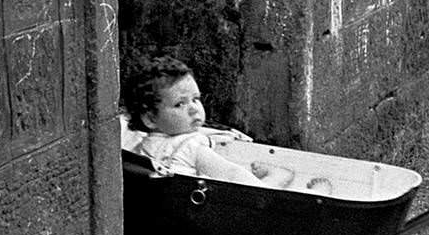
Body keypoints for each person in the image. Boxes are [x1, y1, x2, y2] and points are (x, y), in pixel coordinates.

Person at [122, 56, 313, 190]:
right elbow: (230, 174)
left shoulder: (141, 146)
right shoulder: (192, 147)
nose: (193, 108)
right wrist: (259, 190)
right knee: (258, 191)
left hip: (168, 208)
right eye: (180, 104)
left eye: (196, 99)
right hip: (198, 207)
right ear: (150, 118)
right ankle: (279, 178)